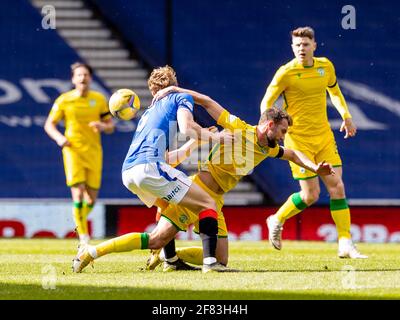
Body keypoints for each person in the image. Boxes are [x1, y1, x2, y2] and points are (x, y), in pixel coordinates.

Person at [144, 85, 334, 271]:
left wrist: (315, 167)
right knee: (162, 233)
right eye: (283, 131)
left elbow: (292, 154)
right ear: (269, 125)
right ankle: (159, 254)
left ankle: (167, 256)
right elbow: (207, 102)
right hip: (200, 189)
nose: (283, 137)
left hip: (216, 199)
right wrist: (177, 91)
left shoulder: (268, 148)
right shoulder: (239, 128)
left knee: (222, 260)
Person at [72, 65, 235, 274]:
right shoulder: (179, 98)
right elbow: (187, 128)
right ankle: (211, 264)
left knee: (165, 211)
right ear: (174, 84)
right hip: (149, 168)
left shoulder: (149, 113)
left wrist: (193, 145)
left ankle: (167, 259)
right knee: (208, 202)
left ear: (152, 91)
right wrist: (216, 137)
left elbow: (167, 159)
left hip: (130, 172)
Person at [260, 26, 367, 258]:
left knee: (337, 187)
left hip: (324, 138)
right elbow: (267, 102)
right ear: (292, 47)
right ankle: (276, 218)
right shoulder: (285, 73)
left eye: (306, 44)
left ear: (314, 46)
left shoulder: (325, 66)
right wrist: (268, 125)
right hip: (298, 142)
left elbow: (335, 91)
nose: (301, 48)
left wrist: (347, 117)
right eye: (297, 45)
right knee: (310, 196)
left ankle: (345, 242)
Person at [44, 62, 114, 246]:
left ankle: (78, 221)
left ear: (90, 78)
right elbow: (49, 125)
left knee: (91, 198)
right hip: (72, 150)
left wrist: (102, 126)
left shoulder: (98, 99)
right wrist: (60, 139)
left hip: (93, 152)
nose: (83, 78)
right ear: (73, 79)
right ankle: (84, 237)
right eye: (79, 75)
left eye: (86, 75)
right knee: (78, 193)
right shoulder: (64, 100)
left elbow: (110, 126)